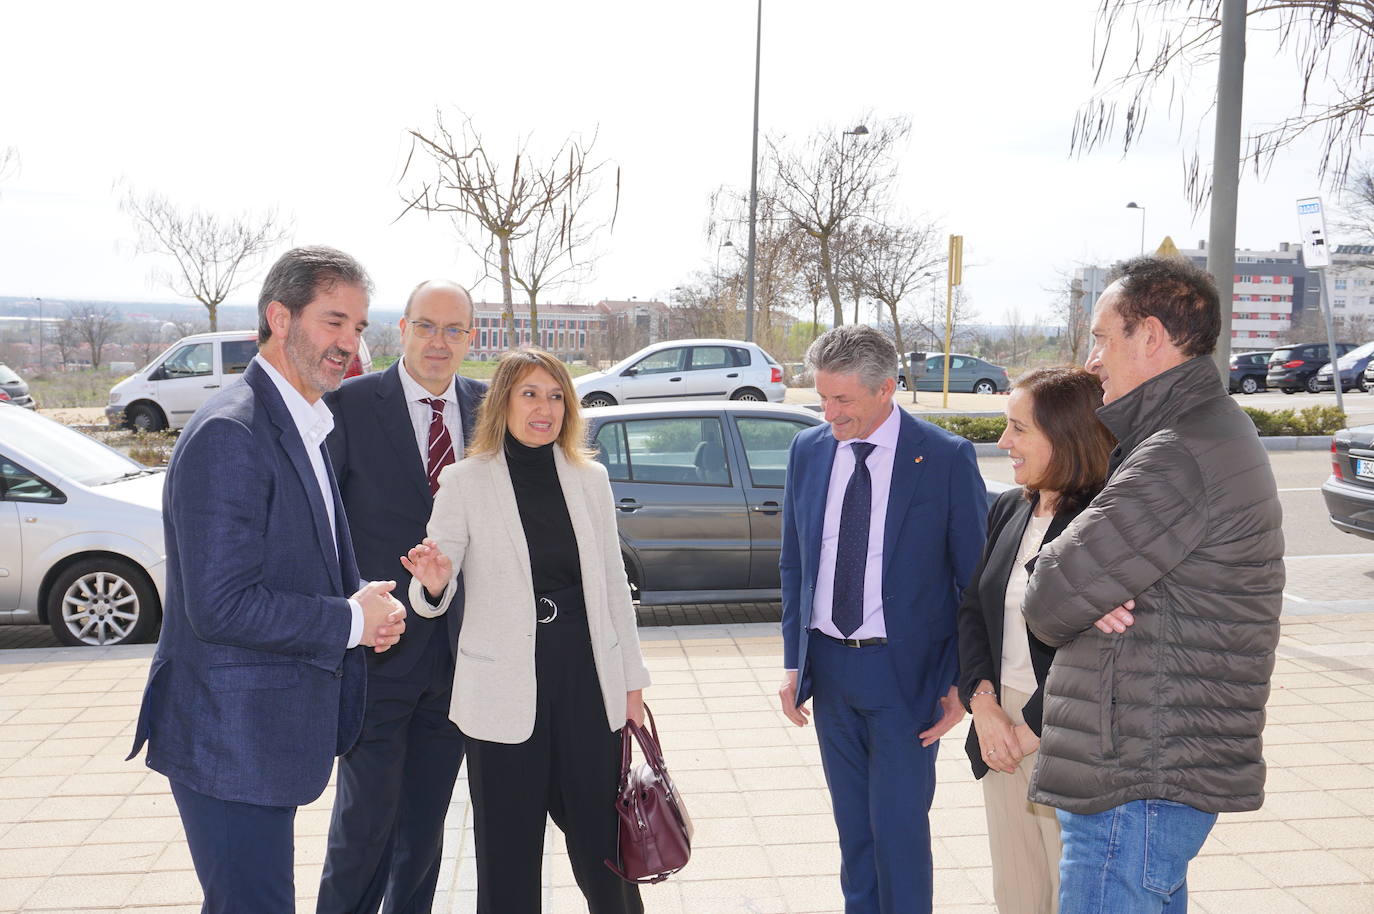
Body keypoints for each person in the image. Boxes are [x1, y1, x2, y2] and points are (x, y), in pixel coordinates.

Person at [127, 246, 409, 912]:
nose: (349, 342)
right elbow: (220, 606)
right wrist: (348, 621)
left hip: (259, 737)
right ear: (279, 318)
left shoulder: (301, 421)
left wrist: (360, 609)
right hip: (228, 740)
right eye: (333, 321)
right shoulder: (234, 431)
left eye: (359, 327)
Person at [1023, 256, 1284, 913]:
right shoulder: (1195, 433)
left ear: (1151, 337)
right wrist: (1094, 591)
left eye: (1102, 337)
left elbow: (1050, 598)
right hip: (1149, 763)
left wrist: (1082, 590)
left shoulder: (1177, 452)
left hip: (1136, 773)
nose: (1091, 360)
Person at [404, 348, 650, 914]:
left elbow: (615, 587)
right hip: (503, 690)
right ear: (503, 403)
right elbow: (430, 593)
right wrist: (436, 583)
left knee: (604, 845)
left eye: (556, 395)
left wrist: (632, 682)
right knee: (508, 854)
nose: (545, 408)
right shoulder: (464, 482)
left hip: (587, 680)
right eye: (530, 394)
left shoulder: (590, 479)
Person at [777, 324, 987, 914]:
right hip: (831, 673)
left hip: (907, 679)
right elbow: (795, 564)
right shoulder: (809, 450)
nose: (829, 412)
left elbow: (972, 583)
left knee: (898, 834)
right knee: (856, 837)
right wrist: (794, 663)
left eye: (843, 400)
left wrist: (961, 683)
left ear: (887, 388)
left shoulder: (944, 457)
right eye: (822, 397)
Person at [317, 280, 487, 913]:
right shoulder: (352, 405)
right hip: (378, 655)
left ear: (471, 338)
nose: (438, 342)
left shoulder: (489, 409)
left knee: (425, 831)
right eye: (426, 326)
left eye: (453, 330)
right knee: (365, 828)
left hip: (457, 661)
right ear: (403, 329)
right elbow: (324, 523)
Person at [956, 367, 1115, 914]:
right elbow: (972, 610)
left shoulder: (1105, 519)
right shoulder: (1009, 507)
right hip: (1001, 724)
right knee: (1018, 894)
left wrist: (1031, 728)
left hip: (1069, 729)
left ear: (1066, 436)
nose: (1004, 443)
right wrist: (982, 704)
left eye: (1018, 428)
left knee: (1071, 894)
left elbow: (1100, 643)